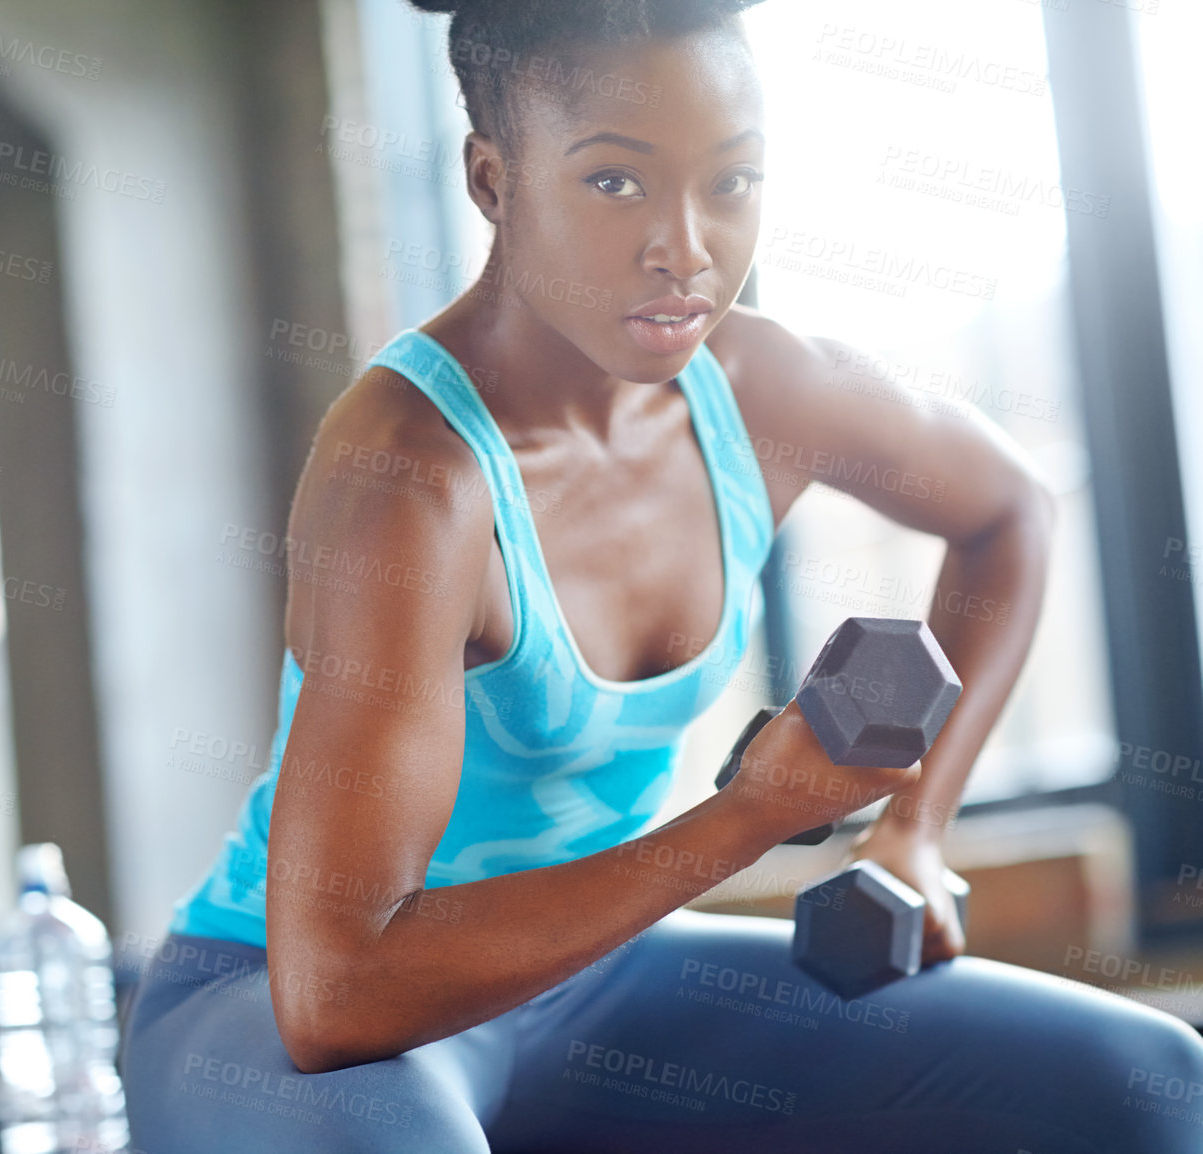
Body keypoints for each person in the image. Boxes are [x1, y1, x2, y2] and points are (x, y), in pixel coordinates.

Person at [120, 1, 1203, 1149]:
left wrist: (913, 833)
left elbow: (1009, 510)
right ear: (491, 180)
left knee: (1149, 1078)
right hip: (274, 1007)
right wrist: (749, 818)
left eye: (730, 183)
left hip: (592, 979)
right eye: (614, 184)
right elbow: (336, 995)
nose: (684, 247)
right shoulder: (411, 477)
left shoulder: (762, 388)